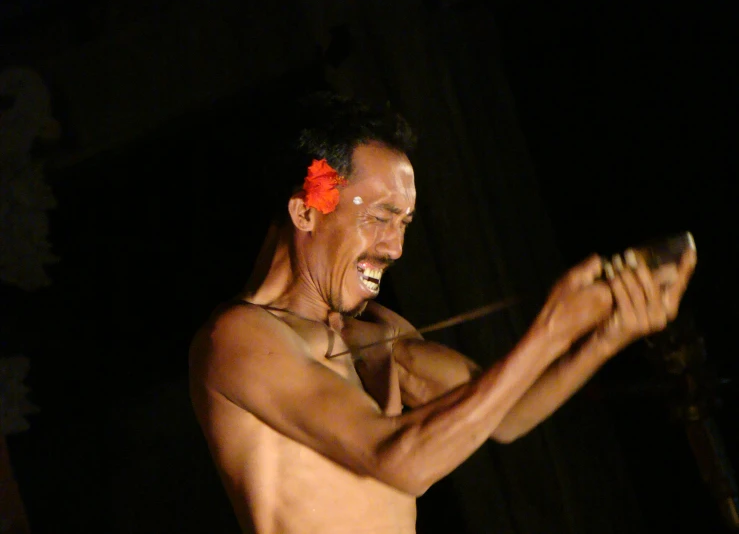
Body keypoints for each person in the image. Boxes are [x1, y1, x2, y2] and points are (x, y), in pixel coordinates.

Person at [189, 93, 696, 534]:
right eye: (379, 218)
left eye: (404, 222)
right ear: (305, 211)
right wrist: (551, 329)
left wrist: (608, 334)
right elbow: (397, 460)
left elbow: (507, 416)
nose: (395, 248)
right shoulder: (238, 337)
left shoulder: (381, 333)